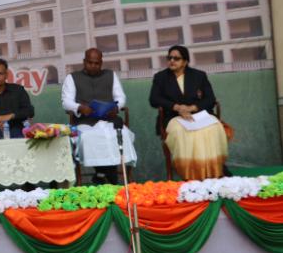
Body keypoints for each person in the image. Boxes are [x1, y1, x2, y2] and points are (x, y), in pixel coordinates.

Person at [150, 45, 228, 180]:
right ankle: (190, 175)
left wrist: (192, 108)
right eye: (169, 58)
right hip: (174, 117)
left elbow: (210, 99)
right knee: (184, 132)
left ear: (185, 61)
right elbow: (154, 99)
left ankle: (214, 171)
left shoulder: (199, 76)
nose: (172, 61)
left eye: (176, 58)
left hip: (199, 115)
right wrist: (177, 107)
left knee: (213, 127)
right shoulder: (161, 77)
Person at [61, 48, 137, 185]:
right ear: (84, 62)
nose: (93, 66)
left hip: (109, 120)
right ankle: (108, 175)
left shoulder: (110, 75)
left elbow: (121, 97)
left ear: (101, 63)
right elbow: (66, 102)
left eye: (96, 63)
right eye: (90, 62)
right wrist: (80, 107)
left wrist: (116, 107)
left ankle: (102, 174)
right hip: (84, 122)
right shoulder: (72, 78)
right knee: (89, 138)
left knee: (122, 135)